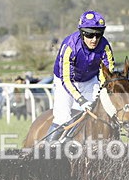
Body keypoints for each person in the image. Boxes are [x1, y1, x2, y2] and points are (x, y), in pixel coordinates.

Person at [47, 10, 115, 141]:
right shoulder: (70, 46)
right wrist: (81, 100)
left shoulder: (105, 46)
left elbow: (107, 74)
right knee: (63, 118)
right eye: (89, 34)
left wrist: (102, 90)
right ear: (82, 33)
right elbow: (66, 79)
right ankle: (47, 147)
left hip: (89, 80)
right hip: (65, 81)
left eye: (98, 34)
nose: (94, 39)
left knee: (96, 113)